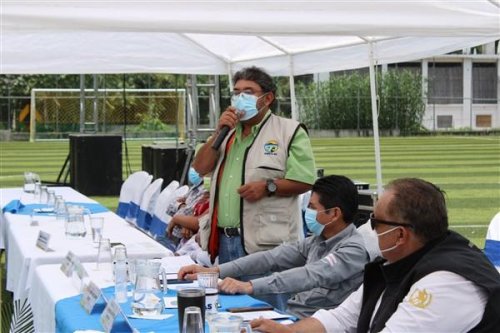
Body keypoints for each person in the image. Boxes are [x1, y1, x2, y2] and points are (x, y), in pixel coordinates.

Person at [251, 178, 500, 333]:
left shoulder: (446, 283)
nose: (369, 228)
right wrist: (290, 331)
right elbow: (342, 317)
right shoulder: (397, 262)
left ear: (400, 235)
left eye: (375, 221)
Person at [178, 175, 370, 318]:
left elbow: (310, 275)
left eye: (312, 207)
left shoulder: (352, 250)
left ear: (334, 213)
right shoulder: (318, 240)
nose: (307, 212)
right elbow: (271, 258)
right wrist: (215, 271)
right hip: (293, 315)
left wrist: (249, 286)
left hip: (316, 324)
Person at [192, 66, 316, 265]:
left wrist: (268, 187)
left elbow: (305, 180)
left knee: (267, 296)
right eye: (236, 93)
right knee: (231, 296)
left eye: (248, 92)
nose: (240, 97)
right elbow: (200, 168)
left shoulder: (289, 130)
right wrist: (218, 133)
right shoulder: (227, 133)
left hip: (267, 245)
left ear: (267, 99)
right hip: (225, 240)